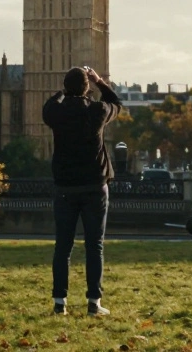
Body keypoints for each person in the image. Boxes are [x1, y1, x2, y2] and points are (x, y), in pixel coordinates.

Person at [43, 65, 122, 317]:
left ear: (67, 88)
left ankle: (59, 303)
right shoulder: (97, 110)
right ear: (87, 87)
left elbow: (48, 106)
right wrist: (99, 81)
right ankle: (93, 303)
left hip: (65, 187)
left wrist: (62, 92)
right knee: (94, 246)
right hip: (94, 187)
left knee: (62, 247)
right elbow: (116, 103)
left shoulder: (57, 112)